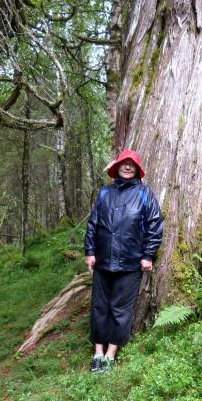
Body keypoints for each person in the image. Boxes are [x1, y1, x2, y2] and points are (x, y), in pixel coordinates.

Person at [84, 149, 163, 373]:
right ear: (117, 167)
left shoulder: (145, 193)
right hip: (103, 262)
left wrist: (148, 255)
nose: (127, 167)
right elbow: (92, 224)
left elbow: (155, 225)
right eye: (123, 163)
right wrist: (90, 252)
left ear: (137, 169)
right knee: (99, 307)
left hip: (130, 264)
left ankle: (110, 356)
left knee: (120, 309)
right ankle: (97, 353)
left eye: (132, 165)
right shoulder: (104, 194)